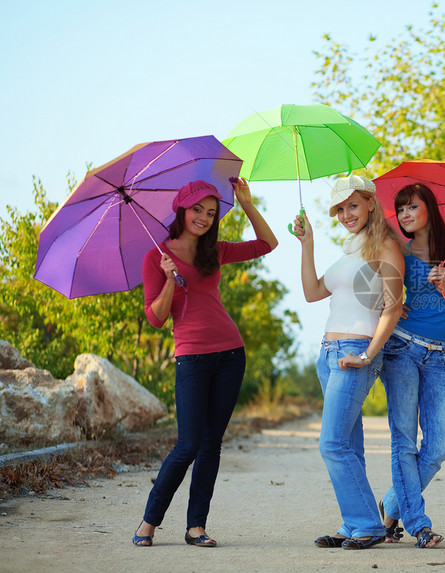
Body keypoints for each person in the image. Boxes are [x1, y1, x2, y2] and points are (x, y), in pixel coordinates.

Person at [132, 178, 278, 548]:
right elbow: (156, 318)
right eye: (198, 209)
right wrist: (168, 280)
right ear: (182, 208)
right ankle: (149, 522)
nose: (204, 218)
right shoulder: (156, 256)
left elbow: (267, 244)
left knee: (212, 444)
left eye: (212, 213)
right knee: (188, 444)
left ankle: (196, 526)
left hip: (231, 353)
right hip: (191, 358)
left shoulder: (216, 252)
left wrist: (245, 202)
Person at [292, 174, 405, 550]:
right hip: (328, 353)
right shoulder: (350, 248)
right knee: (349, 445)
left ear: (371, 203)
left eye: (352, 205)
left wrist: (368, 355)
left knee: (332, 443)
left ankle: (368, 525)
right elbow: (312, 292)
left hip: (356, 352)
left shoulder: (385, 248)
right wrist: (308, 244)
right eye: (339, 209)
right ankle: (354, 524)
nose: (345, 214)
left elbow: (392, 308)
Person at [378, 183, 445, 548]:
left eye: (412, 207)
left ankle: (391, 504)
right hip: (403, 349)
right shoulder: (399, 249)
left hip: (442, 357)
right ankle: (419, 525)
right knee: (404, 442)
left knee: (438, 448)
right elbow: (379, 288)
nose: (406, 215)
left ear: (430, 208)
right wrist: (393, 302)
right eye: (401, 210)